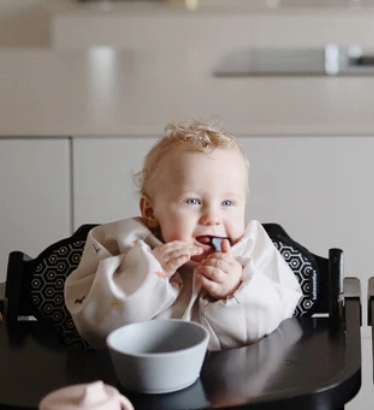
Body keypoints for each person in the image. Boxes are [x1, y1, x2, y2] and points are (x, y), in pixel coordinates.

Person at [65, 120, 303, 350]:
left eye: (227, 203)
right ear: (150, 211)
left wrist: (237, 290)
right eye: (193, 201)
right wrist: (147, 272)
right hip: (142, 371)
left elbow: (278, 323)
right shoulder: (122, 244)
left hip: (237, 373)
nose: (212, 218)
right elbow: (97, 327)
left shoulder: (253, 249)